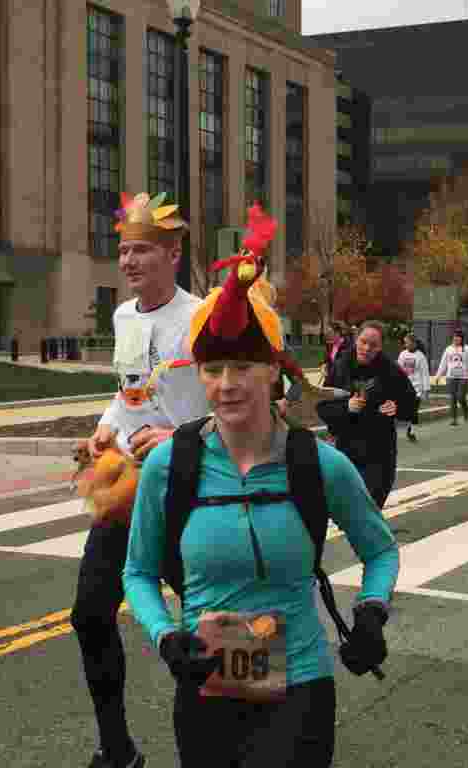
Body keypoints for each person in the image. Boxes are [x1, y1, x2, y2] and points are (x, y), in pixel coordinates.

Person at [123, 240, 400, 768]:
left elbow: (381, 551)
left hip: (300, 688)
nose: (226, 385)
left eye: (243, 367)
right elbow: (137, 572)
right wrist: (165, 639)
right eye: (213, 368)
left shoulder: (318, 464)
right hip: (206, 690)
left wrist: (370, 613)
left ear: (274, 370)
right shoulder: (170, 465)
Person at [75, 191, 211, 768]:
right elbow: (130, 393)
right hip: (131, 491)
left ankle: (223, 743)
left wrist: (180, 438)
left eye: (142, 252)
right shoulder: (124, 316)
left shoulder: (202, 317)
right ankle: (118, 748)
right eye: (123, 251)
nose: (128, 262)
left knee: (207, 624)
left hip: (194, 490)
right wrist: (102, 432)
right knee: (89, 614)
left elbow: (237, 399)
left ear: (173, 254)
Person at [324, 320, 419, 509]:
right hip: (346, 453)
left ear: (381, 347)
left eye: (373, 345)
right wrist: (346, 407)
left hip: (379, 453)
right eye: (363, 342)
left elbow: (411, 403)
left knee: (369, 509)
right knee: (350, 513)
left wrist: (397, 407)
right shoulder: (340, 367)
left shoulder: (390, 370)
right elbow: (323, 407)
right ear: (356, 339)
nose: (366, 348)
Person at [436, 330, 468, 426]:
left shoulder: (467, 349)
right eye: (454, 337)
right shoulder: (448, 349)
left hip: (464, 377)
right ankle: (454, 419)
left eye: (458, 337)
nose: (456, 338)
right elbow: (443, 363)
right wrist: (438, 375)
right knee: (453, 398)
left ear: (462, 338)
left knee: (461, 396)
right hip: (451, 377)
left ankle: (466, 411)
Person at [398, 333, 430, 442]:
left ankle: (412, 431)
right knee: (406, 411)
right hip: (405, 387)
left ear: (413, 343)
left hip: (417, 389)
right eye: (405, 342)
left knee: (413, 411)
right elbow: (398, 370)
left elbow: (425, 373)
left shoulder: (420, 356)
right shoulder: (402, 354)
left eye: (407, 342)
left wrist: (426, 390)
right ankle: (408, 427)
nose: (405, 344)